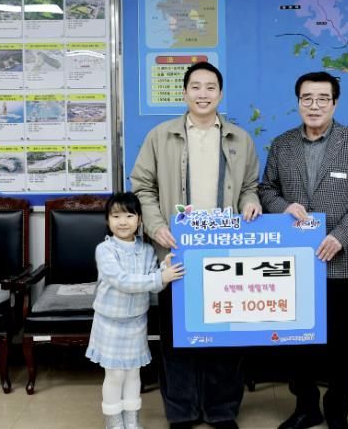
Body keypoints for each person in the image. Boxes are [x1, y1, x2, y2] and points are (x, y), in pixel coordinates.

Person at [131, 61, 262, 429]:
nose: (203, 94)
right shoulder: (161, 136)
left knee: (225, 336)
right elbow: (142, 186)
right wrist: (156, 226)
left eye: (210, 87)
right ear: (185, 92)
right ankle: (182, 411)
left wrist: (251, 201)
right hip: (178, 253)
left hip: (225, 253)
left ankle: (222, 410)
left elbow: (250, 186)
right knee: (177, 337)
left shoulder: (239, 138)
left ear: (220, 93)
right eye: (196, 87)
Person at [259, 71, 348, 429]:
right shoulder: (282, 145)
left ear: (334, 103)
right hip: (295, 263)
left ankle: (337, 411)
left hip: (341, 261)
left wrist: (341, 235)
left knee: (342, 344)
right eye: (307, 98)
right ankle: (306, 407)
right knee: (298, 343)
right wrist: (283, 207)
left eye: (322, 98)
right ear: (298, 102)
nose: (314, 105)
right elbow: (266, 190)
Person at [86, 192, 185, 429]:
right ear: (107, 220)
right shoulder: (105, 250)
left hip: (136, 322)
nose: (123, 222)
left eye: (129, 216)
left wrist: (164, 269)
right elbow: (123, 281)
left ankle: (132, 421)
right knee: (115, 375)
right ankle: (113, 422)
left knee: (133, 374)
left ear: (140, 219)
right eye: (116, 216)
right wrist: (160, 277)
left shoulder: (147, 250)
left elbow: (154, 284)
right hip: (109, 322)